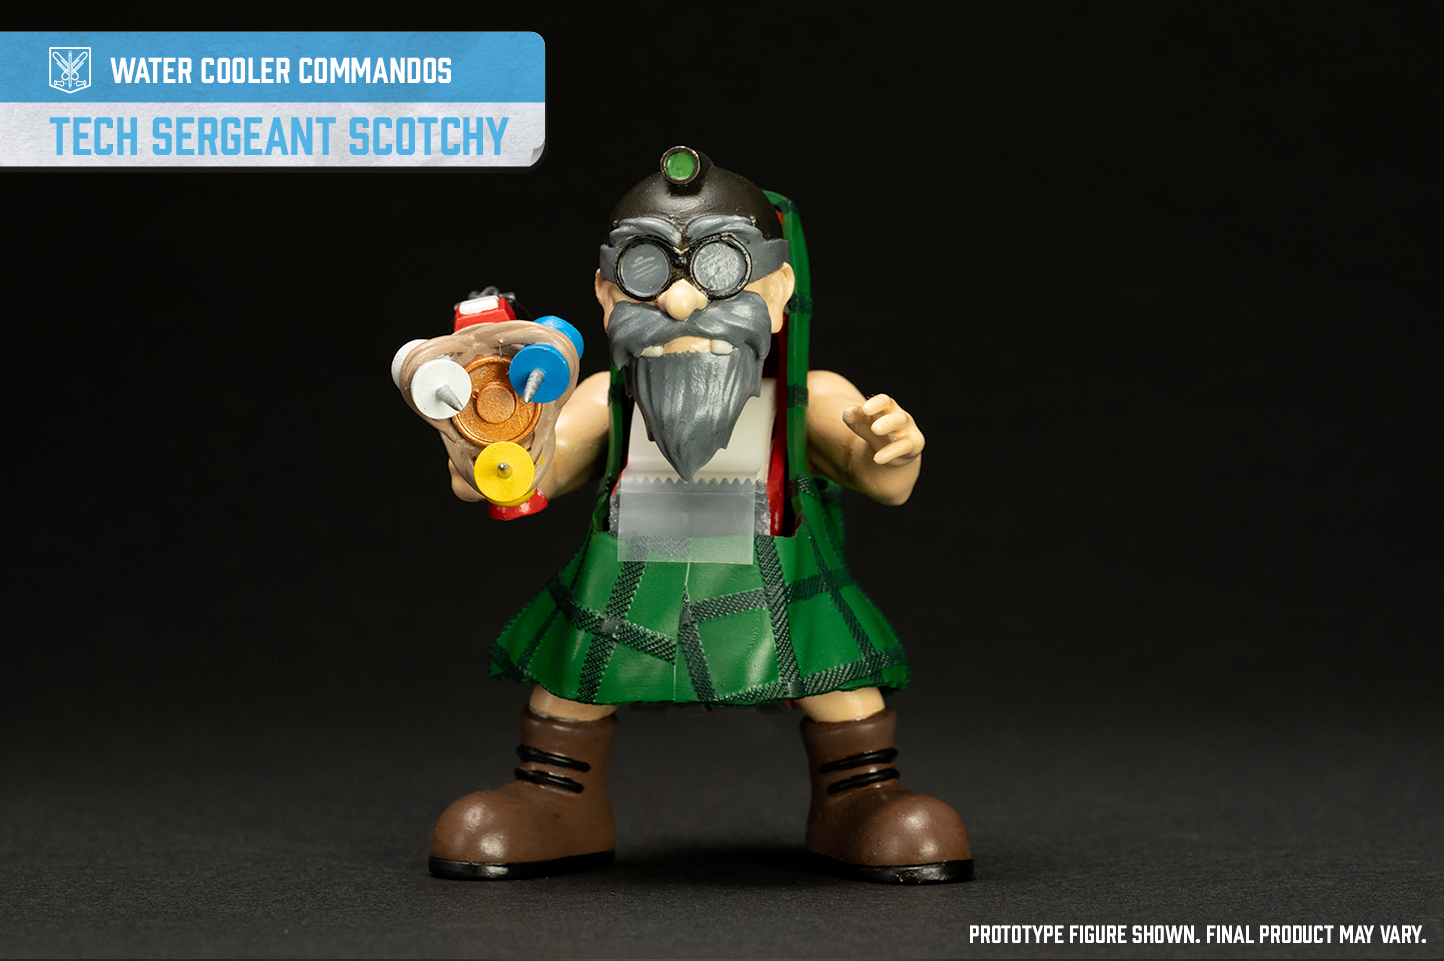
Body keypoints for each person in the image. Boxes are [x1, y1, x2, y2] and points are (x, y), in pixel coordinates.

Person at [426, 147, 972, 884]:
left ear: (778, 290)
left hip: (770, 574)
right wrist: (483, 440)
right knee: (573, 684)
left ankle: (861, 795)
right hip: (633, 572)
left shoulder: (809, 397)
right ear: (607, 293)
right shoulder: (603, 401)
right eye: (647, 271)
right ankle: (555, 795)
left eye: (720, 268)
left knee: (833, 680)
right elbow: (522, 478)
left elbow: (882, 477)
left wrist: (889, 447)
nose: (682, 303)